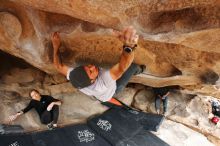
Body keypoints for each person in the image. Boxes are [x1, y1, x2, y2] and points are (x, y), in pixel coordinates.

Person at [51, 26, 144, 105]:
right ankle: (139, 70)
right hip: (112, 91)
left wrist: (56, 46)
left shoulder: (75, 77)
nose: (92, 67)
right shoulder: (103, 82)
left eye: (86, 67)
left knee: (79, 61)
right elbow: (121, 67)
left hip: (98, 95)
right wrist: (129, 46)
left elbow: (58, 66)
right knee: (132, 67)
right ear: (92, 81)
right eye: (91, 71)